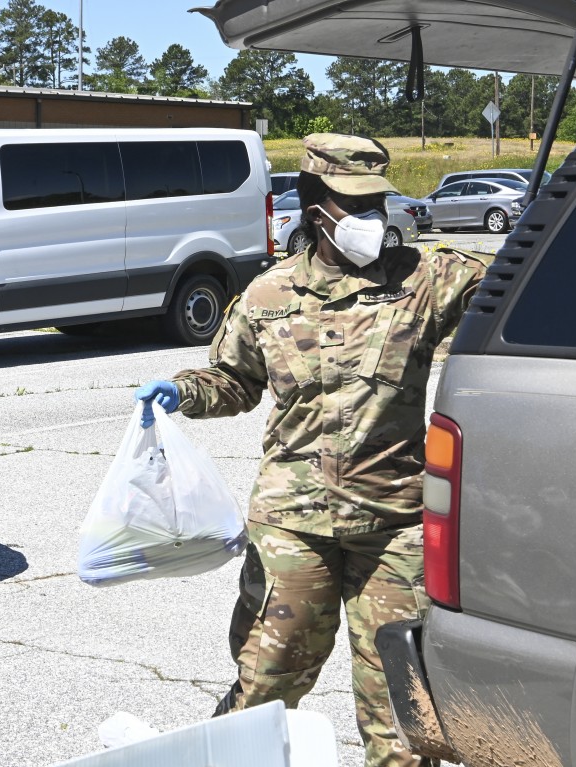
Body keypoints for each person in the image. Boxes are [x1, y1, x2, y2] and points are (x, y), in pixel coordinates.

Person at [134, 133, 487, 767]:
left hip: (394, 523)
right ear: (313, 205)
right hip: (294, 523)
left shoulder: (426, 280)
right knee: (267, 680)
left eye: (378, 202)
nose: (371, 218)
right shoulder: (268, 296)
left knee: (403, 711)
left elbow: (522, 286)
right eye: (354, 204)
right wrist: (183, 391)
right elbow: (235, 381)